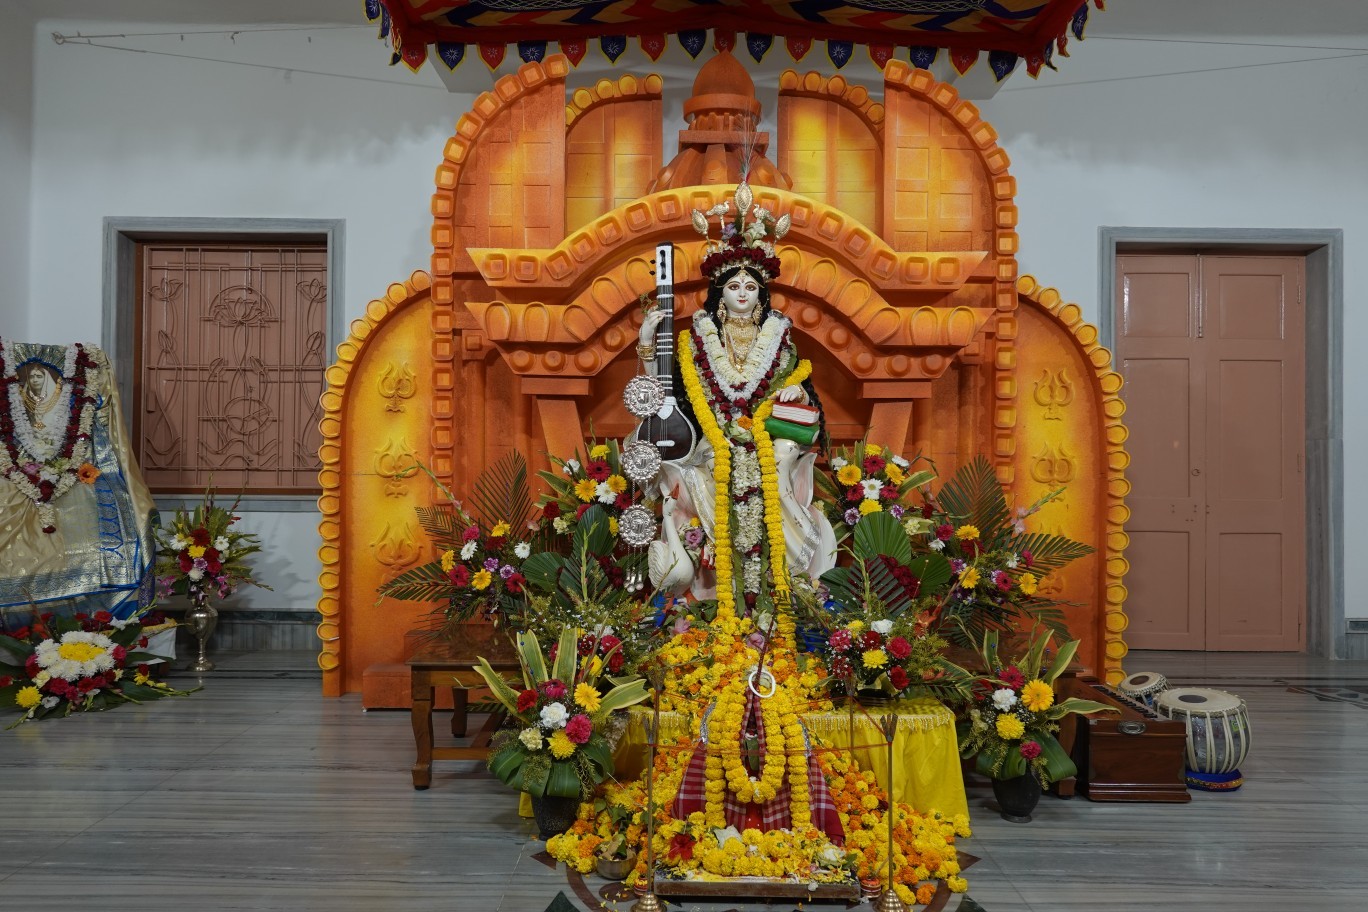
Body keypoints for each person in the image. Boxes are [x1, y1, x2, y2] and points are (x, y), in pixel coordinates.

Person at [637, 185, 837, 608]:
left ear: (761, 295)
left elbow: (798, 384)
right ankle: (717, 586)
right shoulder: (696, 342)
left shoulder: (778, 339)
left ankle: (786, 573)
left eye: (750, 286)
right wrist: (647, 343)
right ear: (720, 294)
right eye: (734, 286)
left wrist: (796, 391)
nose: (743, 292)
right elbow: (664, 392)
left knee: (779, 459)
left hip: (767, 436)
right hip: (715, 439)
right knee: (711, 469)